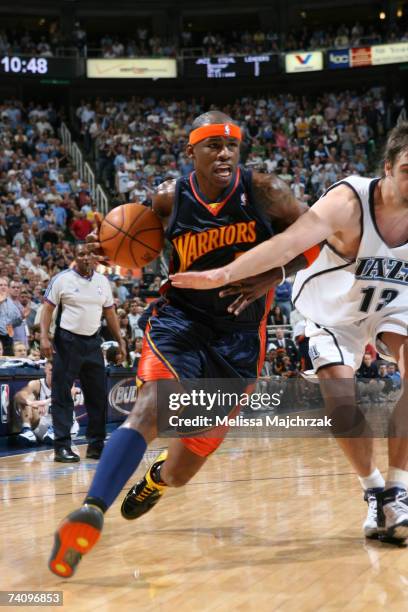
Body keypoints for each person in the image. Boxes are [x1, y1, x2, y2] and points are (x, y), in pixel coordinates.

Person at [48, 110, 322, 578]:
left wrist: (271, 277)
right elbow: (126, 235)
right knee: (152, 404)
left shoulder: (265, 191)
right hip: (181, 322)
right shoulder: (169, 200)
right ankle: (92, 508)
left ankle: (156, 477)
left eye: (232, 145)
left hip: (237, 341)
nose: (224, 153)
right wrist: (104, 246)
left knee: (181, 471)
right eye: (213, 144)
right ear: (190, 152)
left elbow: (317, 236)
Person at [170, 121, 408, 543]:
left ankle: (399, 492)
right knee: (341, 404)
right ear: (387, 168)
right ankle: (373, 490)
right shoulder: (348, 202)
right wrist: (225, 272)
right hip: (328, 310)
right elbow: (288, 243)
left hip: (390, 305)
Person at [40, 243, 126, 463]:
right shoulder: (62, 279)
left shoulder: (102, 282)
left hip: (93, 342)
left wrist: (120, 340)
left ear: (94, 258)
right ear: (75, 257)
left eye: (89, 254)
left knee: (97, 395)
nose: (86, 258)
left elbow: (110, 312)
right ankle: (62, 446)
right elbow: (48, 308)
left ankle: (96, 446)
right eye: (81, 254)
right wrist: (43, 337)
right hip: (67, 341)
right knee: (62, 394)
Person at [14, 361, 79, 446]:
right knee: (26, 398)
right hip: (43, 426)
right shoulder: (36, 384)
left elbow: (66, 395)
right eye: (51, 370)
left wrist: (45, 402)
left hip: (65, 426)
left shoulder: (67, 383)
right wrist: (31, 403)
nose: (54, 374)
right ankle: (27, 430)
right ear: (45, 369)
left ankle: (55, 431)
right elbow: (18, 395)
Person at [0, 277, 23, 355]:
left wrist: (21, 317)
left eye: (5, 285)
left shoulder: (11, 302)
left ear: (8, 288)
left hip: (8, 336)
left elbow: (16, 321)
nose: (3, 287)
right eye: (0, 285)